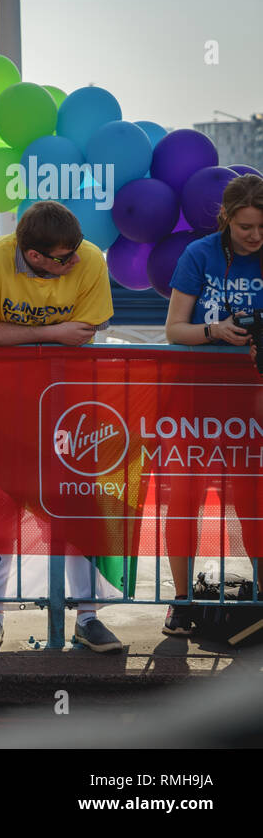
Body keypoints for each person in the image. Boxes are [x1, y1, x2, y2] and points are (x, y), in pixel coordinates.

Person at [0, 199, 121, 653]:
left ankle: (86, 618)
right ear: (32, 255)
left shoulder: (88, 258)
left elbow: (86, 329)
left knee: (75, 506)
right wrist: (50, 334)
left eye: (75, 253)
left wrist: (25, 334)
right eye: (63, 258)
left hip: (69, 405)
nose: (74, 262)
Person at [161, 173, 263, 636]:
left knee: (253, 502)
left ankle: (259, 599)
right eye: (246, 228)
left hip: (252, 403)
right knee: (185, 501)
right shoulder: (198, 254)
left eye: (262, 227)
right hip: (194, 398)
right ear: (226, 219)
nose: (255, 237)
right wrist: (215, 331)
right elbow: (174, 330)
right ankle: (181, 603)